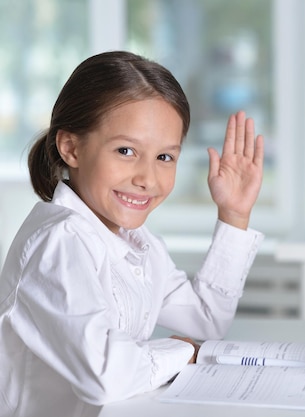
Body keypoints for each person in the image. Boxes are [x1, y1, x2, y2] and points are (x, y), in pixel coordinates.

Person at [0, 51, 264, 417]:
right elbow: (105, 375)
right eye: (126, 151)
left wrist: (234, 214)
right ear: (71, 147)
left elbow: (207, 320)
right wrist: (182, 351)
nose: (147, 178)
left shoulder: (136, 243)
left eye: (164, 157)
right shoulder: (59, 242)